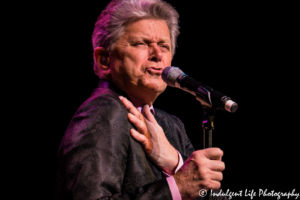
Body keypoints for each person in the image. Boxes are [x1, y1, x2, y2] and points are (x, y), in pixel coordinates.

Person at [55, 0, 227, 199]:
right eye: (140, 43)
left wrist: (174, 162)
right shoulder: (103, 111)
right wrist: (176, 187)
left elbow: (205, 191)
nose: (157, 55)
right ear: (104, 60)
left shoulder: (172, 125)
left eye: (164, 46)